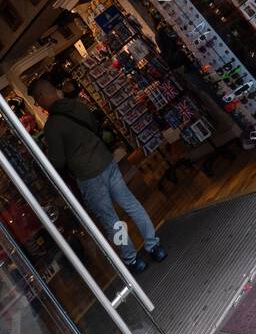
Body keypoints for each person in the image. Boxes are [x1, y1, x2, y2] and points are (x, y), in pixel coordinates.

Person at [29, 76, 165, 272]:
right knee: (131, 204)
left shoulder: (52, 126)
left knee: (111, 220)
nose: (37, 103)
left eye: (36, 99)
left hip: (88, 177)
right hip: (106, 162)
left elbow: (57, 162)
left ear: (42, 95)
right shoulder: (77, 105)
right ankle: (155, 247)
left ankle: (132, 259)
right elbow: (94, 126)